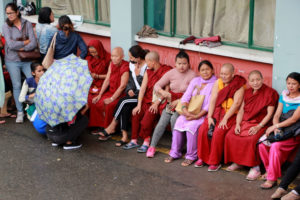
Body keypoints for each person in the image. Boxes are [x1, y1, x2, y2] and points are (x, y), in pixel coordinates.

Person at [224, 70, 278, 180]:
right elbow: (242, 110)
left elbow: (270, 114)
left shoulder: (270, 93)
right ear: (249, 81)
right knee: (231, 135)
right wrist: (238, 124)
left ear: (262, 79)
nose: (255, 83)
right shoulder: (247, 92)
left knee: (251, 139)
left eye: (258, 80)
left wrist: (259, 126)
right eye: (252, 80)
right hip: (245, 122)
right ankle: (238, 162)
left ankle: (255, 168)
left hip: (261, 123)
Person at [164, 60, 217, 166]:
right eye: (202, 70)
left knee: (191, 127)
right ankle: (175, 152)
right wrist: (185, 111)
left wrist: (197, 116)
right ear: (199, 72)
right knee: (179, 123)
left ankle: (191, 156)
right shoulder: (195, 81)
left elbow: (211, 103)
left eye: (207, 69)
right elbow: (186, 96)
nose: (205, 72)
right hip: (189, 112)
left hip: (203, 114)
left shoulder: (215, 83)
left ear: (212, 70)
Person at [196, 63, 246, 171]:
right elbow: (213, 99)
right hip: (217, 111)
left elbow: (236, 104)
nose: (223, 76)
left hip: (230, 114)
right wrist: (209, 117)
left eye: (226, 74)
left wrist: (225, 119)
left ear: (232, 74)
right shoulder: (218, 83)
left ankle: (215, 161)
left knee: (218, 131)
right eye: (221, 73)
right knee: (203, 128)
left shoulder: (239, 85)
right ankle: (202, 157)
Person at [146, 50, 196, 158]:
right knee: (162, 122)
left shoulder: (192, 75)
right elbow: (157, 85)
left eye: (184, 63)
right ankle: (152, 146)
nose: (181, 66)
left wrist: (179, 101)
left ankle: (176, 147)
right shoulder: (171, 73)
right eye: (179, 63)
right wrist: (163, 92)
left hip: (184, 104)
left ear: (188, 64)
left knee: (174, 120)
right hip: (170, 102)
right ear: (175, 63)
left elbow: (194, 93)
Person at [96, 45, 148, 145]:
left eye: (131, 57)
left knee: (123, 101)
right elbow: (129, 81)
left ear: (138, 57)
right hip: (134, 94)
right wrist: (129, 90)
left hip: (143, 96)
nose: (129, 59)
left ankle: (112, 126)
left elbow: (146, 86)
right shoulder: (132, 65)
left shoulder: (146, 67)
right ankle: (124, 137)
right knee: (125, 107)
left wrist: (138, 76)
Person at [123, 51, 171, 153]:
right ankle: (134, 140)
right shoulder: (148, 72)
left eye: (147, 62)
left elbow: (167, 90)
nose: (146, 64)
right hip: (146, 100)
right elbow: (143, 89)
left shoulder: (165, 71)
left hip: (157, 102)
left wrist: (156, 103)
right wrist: (139, 105)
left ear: (152, 62)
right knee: (136, 114)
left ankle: (146, 141)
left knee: (147, 120)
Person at [259, 72, 300, 189]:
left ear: (299, 85)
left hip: (292, 133)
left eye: (294, 84)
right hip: (281, 129)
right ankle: (269, 171)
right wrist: (277, 128)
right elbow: (276, 115)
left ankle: (271, 179)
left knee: (275, 146)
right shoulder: (284, 96)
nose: (290, 86)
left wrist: (275, 127)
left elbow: (293, 120)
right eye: (288, 83)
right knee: (262, 144)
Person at [2, 3, 38, 123]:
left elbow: (33, 43)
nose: (9, 15)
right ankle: (20, 112)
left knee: (32, 82)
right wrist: (25, 43)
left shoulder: (27, 24)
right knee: (17, 85)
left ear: (17, 12)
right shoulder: (5, 26)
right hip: (12, 60)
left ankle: (34, 108)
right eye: (7, 13)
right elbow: (10, 45)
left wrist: (24, 48)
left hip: (26, 59)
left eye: (11, 13)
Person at [89, 47, 129, 131]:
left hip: (120, 94)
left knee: (109, 105)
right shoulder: (111, 64)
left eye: (116, 56)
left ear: (122, 56)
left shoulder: (125, 67)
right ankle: (98, 126)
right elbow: (107, 80)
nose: (113, 58)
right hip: (110, 91)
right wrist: (99, 95)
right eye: (112, 56)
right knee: (96, 102)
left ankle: (109, 129)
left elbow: (122, 86)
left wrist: (112, 98)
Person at [86, 40, 110, 107]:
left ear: (99, 49)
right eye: (91, 52)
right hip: (91, 82)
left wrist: (97, 76)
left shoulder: (108, 59)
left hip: (103, 83)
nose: (93, 54)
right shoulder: (88, 58)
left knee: (95, 101)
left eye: (95, 52)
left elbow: (110, 75)